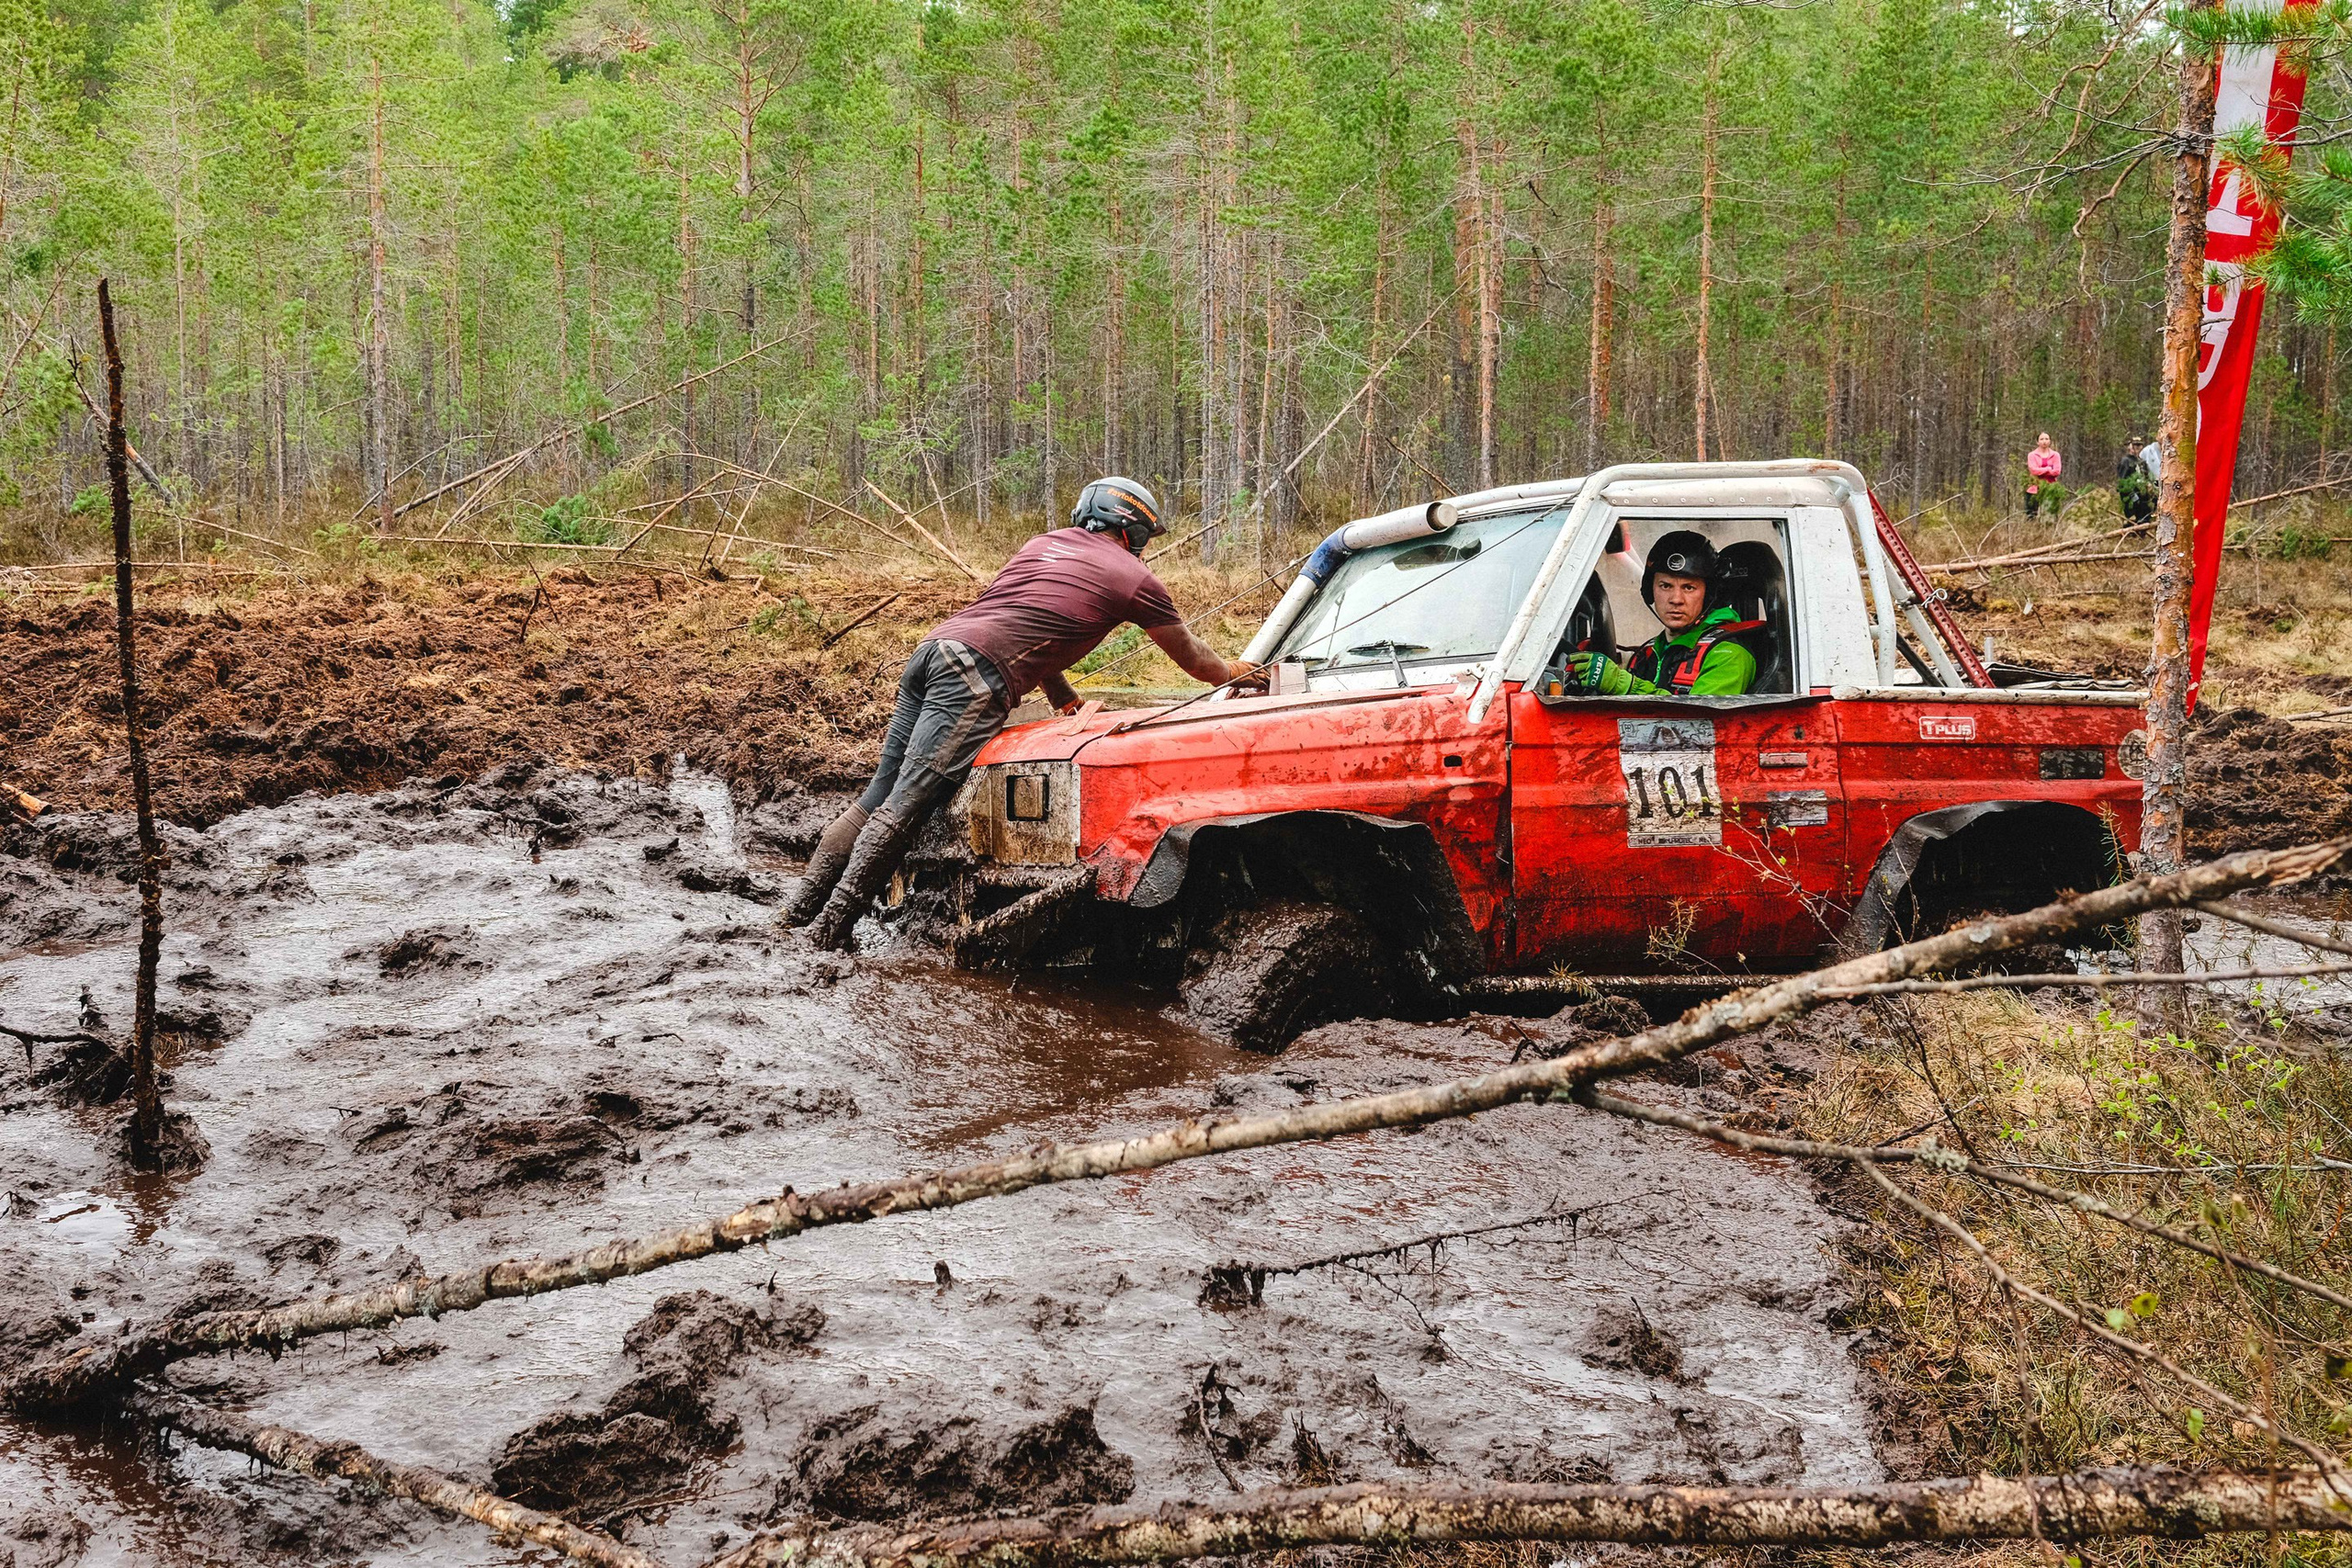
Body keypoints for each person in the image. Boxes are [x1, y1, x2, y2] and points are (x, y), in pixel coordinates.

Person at [787, 476, 1262, 951]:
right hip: (975, 677)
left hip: (935, 650)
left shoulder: (1042, 545)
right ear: (1132, 532)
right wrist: (1236, 671)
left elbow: (1027, 624)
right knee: (905, 806)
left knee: (876, 796)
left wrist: (1064, 701)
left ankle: (795, 915)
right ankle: (826, 933)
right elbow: (1198, 662)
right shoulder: (1134, 579)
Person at [1562, 531, 1761, 697]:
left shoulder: (1729, 654)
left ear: (1709, 595)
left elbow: (1697, 727)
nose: (1676, 599)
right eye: (1665, 586)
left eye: (1689, 588)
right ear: (1650, 590)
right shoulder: (1648, 653)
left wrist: (1625, 685)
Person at [2118, 435, 2156, 525]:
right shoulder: (2126, 461)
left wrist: (2151, 487)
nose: (2137, 447)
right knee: (2132, 522)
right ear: (2130, 446)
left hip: (2143, 497)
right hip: (2131, 498)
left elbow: (2148, 478)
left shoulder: (2142, 462)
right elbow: (2122, 483)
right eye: (2135, 445)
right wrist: (2131, 496)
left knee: (2145, 518)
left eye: (2139, 445)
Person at [2025, 432, 2062, 518]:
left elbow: (2057, 471)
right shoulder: (2032, 455)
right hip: (2034, 487)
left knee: (2050, 514)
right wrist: (2048, 469)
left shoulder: (2055, 455)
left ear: (2050, 441)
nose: (2044, 441)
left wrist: (2041, 471)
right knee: (2031, 514)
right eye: (2041, 439)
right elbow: (2033, 470)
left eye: (2046, 439)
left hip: (2050, 487)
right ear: (2037, 442)